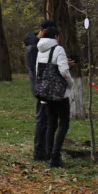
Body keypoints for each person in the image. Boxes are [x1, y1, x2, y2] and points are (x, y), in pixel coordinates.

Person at [35, 23, 73, 168]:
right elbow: (63, 71)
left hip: (45, 92)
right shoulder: (58, 49)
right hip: (59, 93)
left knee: (51, 124)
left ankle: (49, 154)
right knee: (63, 124)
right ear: (56, 36)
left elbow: (38, 70)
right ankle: (56, 157)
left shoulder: (40, 49)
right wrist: (71, 83)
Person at [25, 25, 51, 161]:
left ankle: (44, 150)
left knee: (45, 119)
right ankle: (40, 152)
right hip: (41, 88)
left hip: (40, 87)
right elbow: (39, 70)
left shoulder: (34, 47)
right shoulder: (34, 48)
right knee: (43, 120)